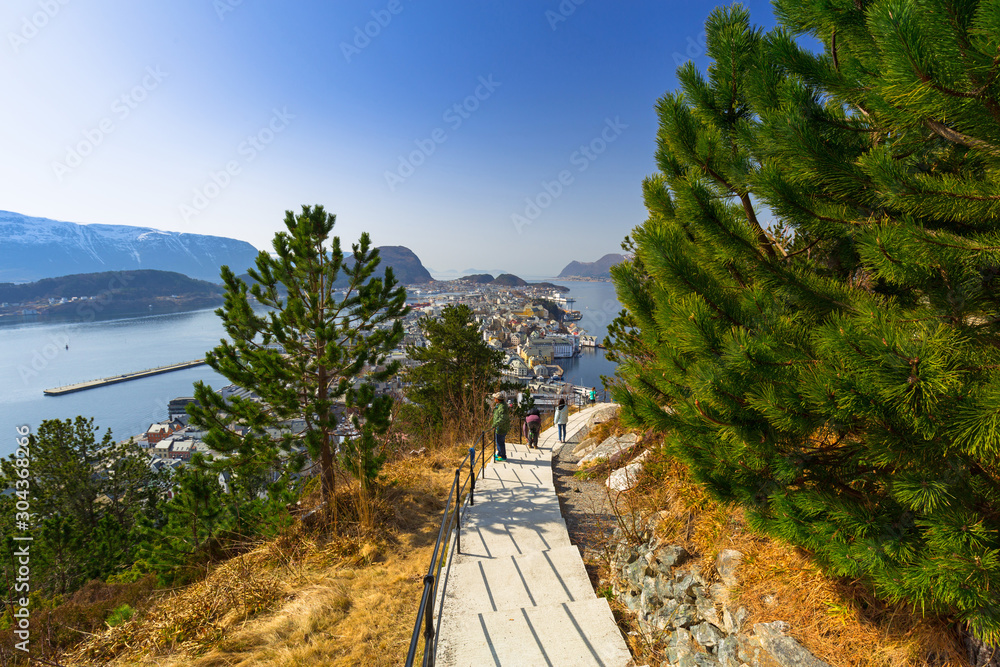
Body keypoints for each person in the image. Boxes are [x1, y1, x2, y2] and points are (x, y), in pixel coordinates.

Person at [491, 392, 510, 462]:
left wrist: (495, 424)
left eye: (495, 398)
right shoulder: (500, 405)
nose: (494, 399)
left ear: (498, 399)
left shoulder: (502, 407)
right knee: (498, 441)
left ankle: (503, 456)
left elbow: (502, 418)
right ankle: (499, 453)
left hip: (501, 427)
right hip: (499, 427)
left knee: (500, 442)